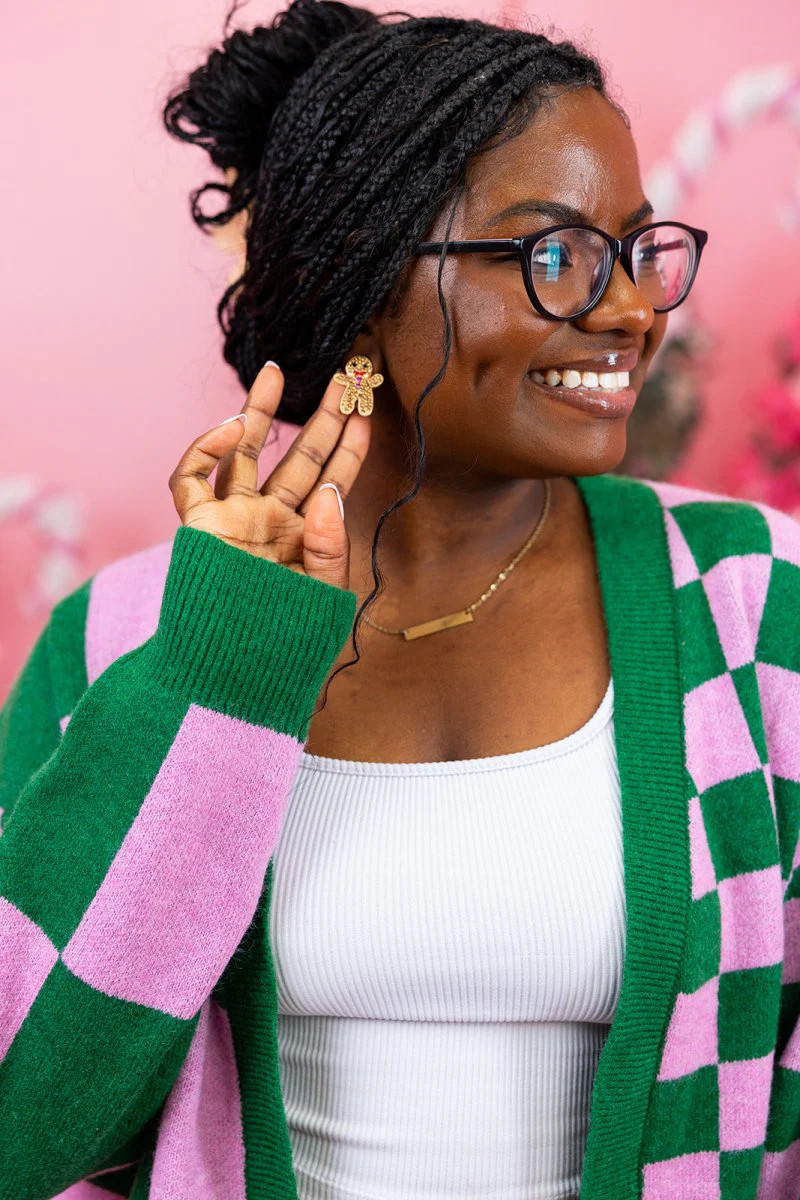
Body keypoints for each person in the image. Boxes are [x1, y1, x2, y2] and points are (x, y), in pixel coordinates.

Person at [0, 3, 798, 1198]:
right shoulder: (130, 637)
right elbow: (24, 1119)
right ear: (365, 278)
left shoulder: (752, 604)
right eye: (556, 255)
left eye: (637, 251)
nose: (634, 310)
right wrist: (222, 672)